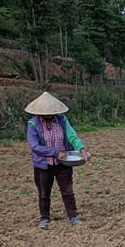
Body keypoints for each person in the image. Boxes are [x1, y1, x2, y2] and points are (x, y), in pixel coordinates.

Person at [26, 92, 92, 228]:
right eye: (46, 112)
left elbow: (72, 136)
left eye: (52, 111)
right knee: (44, 192)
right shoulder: (33, 124)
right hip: (43, 165)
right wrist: (55, 152)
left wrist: (82, 149)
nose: (50, 114)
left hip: (63, 163)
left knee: (67, 190)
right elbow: (35, 146)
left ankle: (73, 216)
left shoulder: (62, 120)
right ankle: (45, 218)